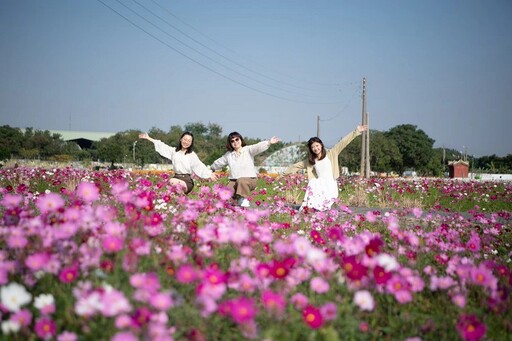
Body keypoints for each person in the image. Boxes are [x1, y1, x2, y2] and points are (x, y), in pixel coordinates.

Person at [284, 125, 368, 211]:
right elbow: (297, 165)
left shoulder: (331, 153)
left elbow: (343, 142)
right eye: (313, 147)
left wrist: (356, 131)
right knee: (315, 206)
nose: (315, 148)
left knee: (329, 201)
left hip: (330, 183)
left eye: (317, 146)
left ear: (321, 145)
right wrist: (284, 173)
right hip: (319, 184)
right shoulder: (311, 160)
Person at [210, 132, 281, 207]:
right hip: (234, 181)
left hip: (249, 180)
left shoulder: (248, 150)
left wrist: (269, 142)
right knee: (226, 193)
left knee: (241, 181)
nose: (235, 142)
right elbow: (219, 162)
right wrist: (211, 168)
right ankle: (234, 202)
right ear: (230, 143)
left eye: (237, 139)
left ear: (241, 140)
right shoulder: (229, 155)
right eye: (232, 141)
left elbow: (257, 147)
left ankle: (243, 199)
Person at [138, 131, 217, 194]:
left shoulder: (191, 155)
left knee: (171, 182)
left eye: (189, 141)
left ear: (191, 143)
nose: (186, 142)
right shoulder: (174, 151)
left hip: (187, 180)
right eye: (185, 139)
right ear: (181, 139)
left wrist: (209, 174)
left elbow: (199, 165)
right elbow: (162, 146)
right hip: (176, 177)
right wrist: (148, 138)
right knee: (173, 193)